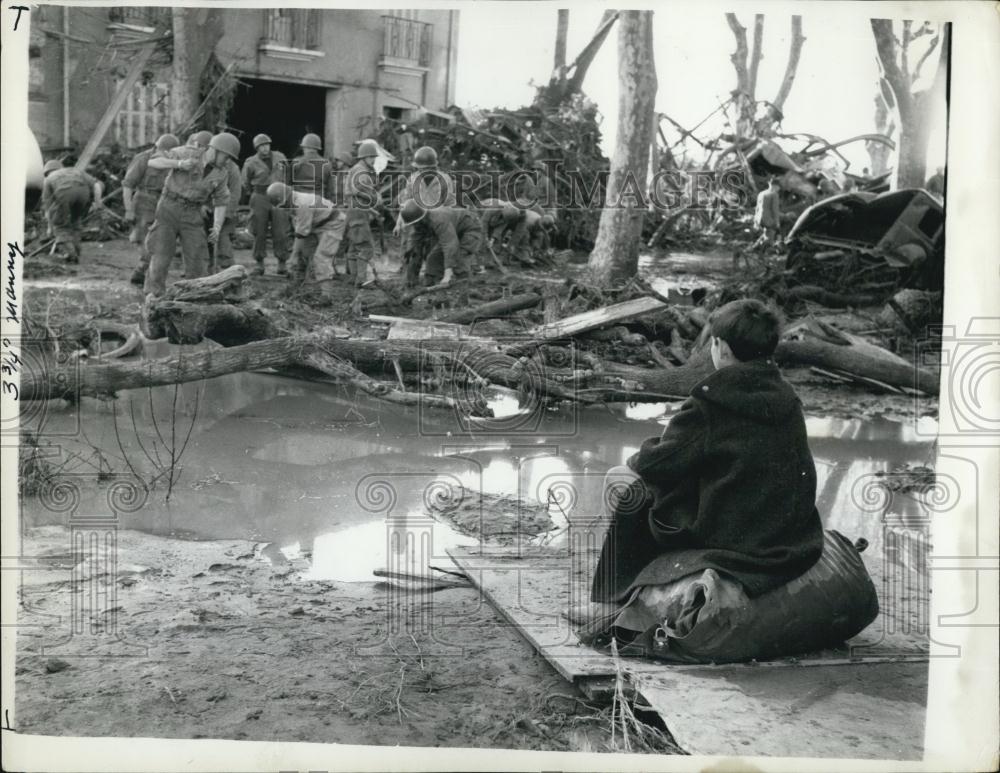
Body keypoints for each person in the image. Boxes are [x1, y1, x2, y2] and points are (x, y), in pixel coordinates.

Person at [570, 300, 824, 639]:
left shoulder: (713, 399)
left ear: (721, 348)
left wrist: (648, 448)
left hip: (729, 533)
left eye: (713, 344)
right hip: (782, 533)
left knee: (623, 480)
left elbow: (655, 463)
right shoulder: (787, 396)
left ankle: (613, 598)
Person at [142, 132, 237, 297]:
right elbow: (153, 161)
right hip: (168, 208)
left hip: (193, 214)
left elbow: (221, 201)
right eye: (226, 156)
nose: (227, 161)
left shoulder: (222, 173)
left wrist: (217, 226)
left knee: (197, 258)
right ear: (215, 150)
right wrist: (178, 163)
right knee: (161, 254)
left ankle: (193, 298)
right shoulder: (187, 152)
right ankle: (153, 296)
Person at [267, 182, 346, 293]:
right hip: (315, 225)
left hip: (333, 224)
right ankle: (300, 285)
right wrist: (296, 254)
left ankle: (326, 293)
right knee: (304, 254)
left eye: (283, 206)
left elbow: (301, 234)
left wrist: (293, 256)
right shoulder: (293, 201)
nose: (284, 209)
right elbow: (300, 232)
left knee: (321, 257)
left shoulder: (302, 204)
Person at [123, 133, 180, 285]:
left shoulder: (176, 160)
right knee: (145, 238)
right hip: (144, 201)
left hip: (164, 202)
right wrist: (128, 210)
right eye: (166, 152)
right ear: (157, 148)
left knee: (160, 238)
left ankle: (144, 272)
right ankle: (142, 271)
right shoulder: (143, 159)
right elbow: (128, 185)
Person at [399, 199, 482, 287]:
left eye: (416, 223)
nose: (415, 226)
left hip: (469, 229)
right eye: (413, 224)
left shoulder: (438, 218)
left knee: (459, 260)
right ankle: (433, 286)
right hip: (452, 230)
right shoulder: (419, 224)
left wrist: (448, 273)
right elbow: (412, 248)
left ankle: (461, 290)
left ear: (422, 218)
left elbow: (450, 244)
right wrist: (409, 278)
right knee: (432, 259)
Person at [241, 133, 291, 276]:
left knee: (280, 231)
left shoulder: (280, 157)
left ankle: (282, 262)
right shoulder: (251, 162)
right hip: (260, 195)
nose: (265, 148)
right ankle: (259, 263)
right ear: (257, 148)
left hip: (279, 195)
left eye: (267, 145)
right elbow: (245, 181)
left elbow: (288, 175)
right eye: (261, 146)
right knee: (259, 230)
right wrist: (253, 194)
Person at [41, 159, 104, 263]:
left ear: (47, 172)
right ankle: (77, 250)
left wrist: (50, 227)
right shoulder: (76, 171)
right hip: (83, 194)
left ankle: (71, 254)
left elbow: (48, 207)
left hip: (64, 194)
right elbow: (97, 186)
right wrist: (98, 203)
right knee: (75, 222)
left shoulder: (48, 180)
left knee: (60, 226)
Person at [343, 139, 381, 286]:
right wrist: (376, 199)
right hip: (359, 213)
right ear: (364, 157)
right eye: (371, 157)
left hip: (353, 212)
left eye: (374, 157)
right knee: (365, 248)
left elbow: (353, 192)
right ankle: (361, 280)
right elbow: (368, 194)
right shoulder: (362, 173)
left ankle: (354, 278)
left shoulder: (355, 169)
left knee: (354, 247)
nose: (373, 160)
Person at [212, 143, 244, 273]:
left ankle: (228, 269)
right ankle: (207, 269)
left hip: (224, 209)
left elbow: (235, 193)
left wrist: (227, 212)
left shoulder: (232, 168)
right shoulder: (208, 164)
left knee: (223, 240)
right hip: (208, 209)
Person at [291, 132, 334, 199]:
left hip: (300, 199)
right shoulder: (327, 164)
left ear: (304, 147)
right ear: (317, 148)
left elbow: (289, 183)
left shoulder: (296, 162)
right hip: (319, 199)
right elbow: (330, 188)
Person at [752, 178, 782, 249]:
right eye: (778, 187)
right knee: (771, 237)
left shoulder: (761, 193)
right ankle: (761, 250)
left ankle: (753, 248)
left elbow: (757, 208)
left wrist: (755, 220)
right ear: (776, 186)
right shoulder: (774, 194)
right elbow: (775, 210)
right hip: (768, 220)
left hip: (759, 219)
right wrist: (777, 222)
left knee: (766, 234)